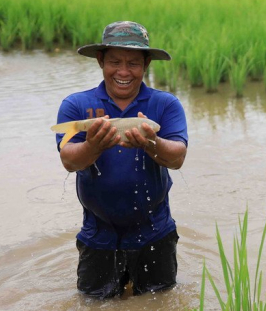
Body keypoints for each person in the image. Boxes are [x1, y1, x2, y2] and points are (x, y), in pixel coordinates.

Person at [54, 21, 188, 298]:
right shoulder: (76, 106)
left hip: (155, 234)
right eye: (115, 61)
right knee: (94, 302)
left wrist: (153, 143)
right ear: (101, 61)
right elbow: (69, 162)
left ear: (146, 64)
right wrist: (93, 146)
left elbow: (177, 158)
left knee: (159, 301)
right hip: (98, 236)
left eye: (133, 63)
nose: (124, 71)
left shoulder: (166, 104)